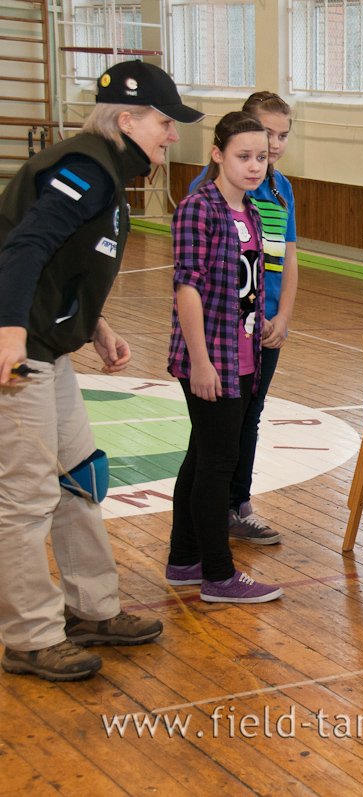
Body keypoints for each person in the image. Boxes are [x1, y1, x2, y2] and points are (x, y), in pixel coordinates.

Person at [0, 60, 203, 681]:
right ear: (126, 119)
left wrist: (97, 326)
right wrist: (7, 331)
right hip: (20, 351)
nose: (172, 136)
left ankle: (90, 608)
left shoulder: (107, 172)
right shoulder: (86, 169)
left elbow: (69, 264)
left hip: (49, 346)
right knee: (24, 498)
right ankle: (30, 636)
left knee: (78, 477)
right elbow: (25, 246)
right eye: (165, 122)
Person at [166, 111, 282, 605]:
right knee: (218, 462)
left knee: (201, 458)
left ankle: (183, 559)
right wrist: (201, 360)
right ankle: (217, 574)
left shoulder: (252, 211)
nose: (255, 166)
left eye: (261, 157)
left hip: (244, 355)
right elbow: (187, 288)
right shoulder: (199, 208)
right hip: (212, 357)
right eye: (243, 156)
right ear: (217, 154)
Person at [189, 91, 297, 546]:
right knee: (217, 430)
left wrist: (283, 315)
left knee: (250, 415)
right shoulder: (206, 194)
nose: (273, 146)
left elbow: (289, 258)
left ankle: (238, 503)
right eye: (265, 133)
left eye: (282, 136)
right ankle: (206, 522)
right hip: (223, 330)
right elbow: (191, 281)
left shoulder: (279, 189)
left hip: (264, 327)